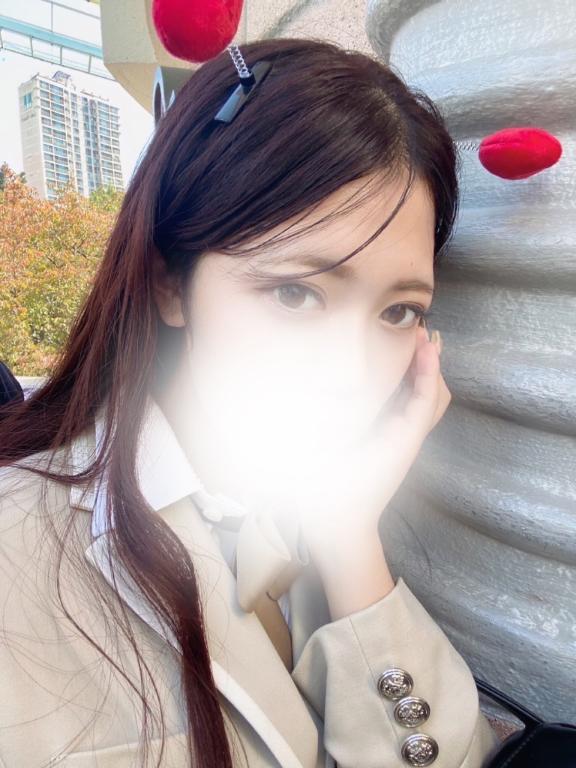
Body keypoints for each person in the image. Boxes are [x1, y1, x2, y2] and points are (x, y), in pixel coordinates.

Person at [0, 38, 501, 768]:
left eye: (399, 312)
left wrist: (349, 540)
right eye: (295, 293)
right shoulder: (17, 548)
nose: (350, 375)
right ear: (170, 282)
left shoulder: (338, 511)